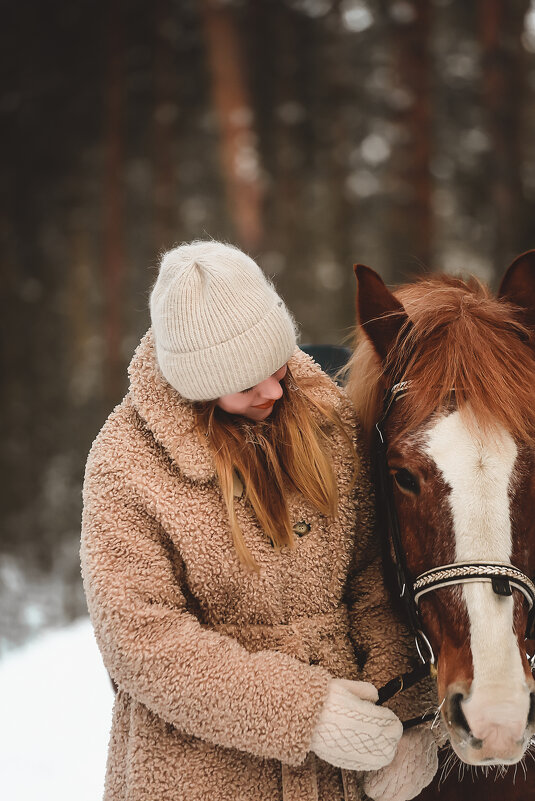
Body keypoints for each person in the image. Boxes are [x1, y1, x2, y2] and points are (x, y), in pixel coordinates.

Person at [80, 240, 438, 801]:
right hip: (202, 772)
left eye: (277, 365)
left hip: (343, 776)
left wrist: (410, 713)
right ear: (198, 382)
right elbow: (141, 639)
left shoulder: (329, 419)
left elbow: (370, 581)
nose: (274, 390)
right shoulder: (127, 463)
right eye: (247, 385)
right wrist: (303, 713)